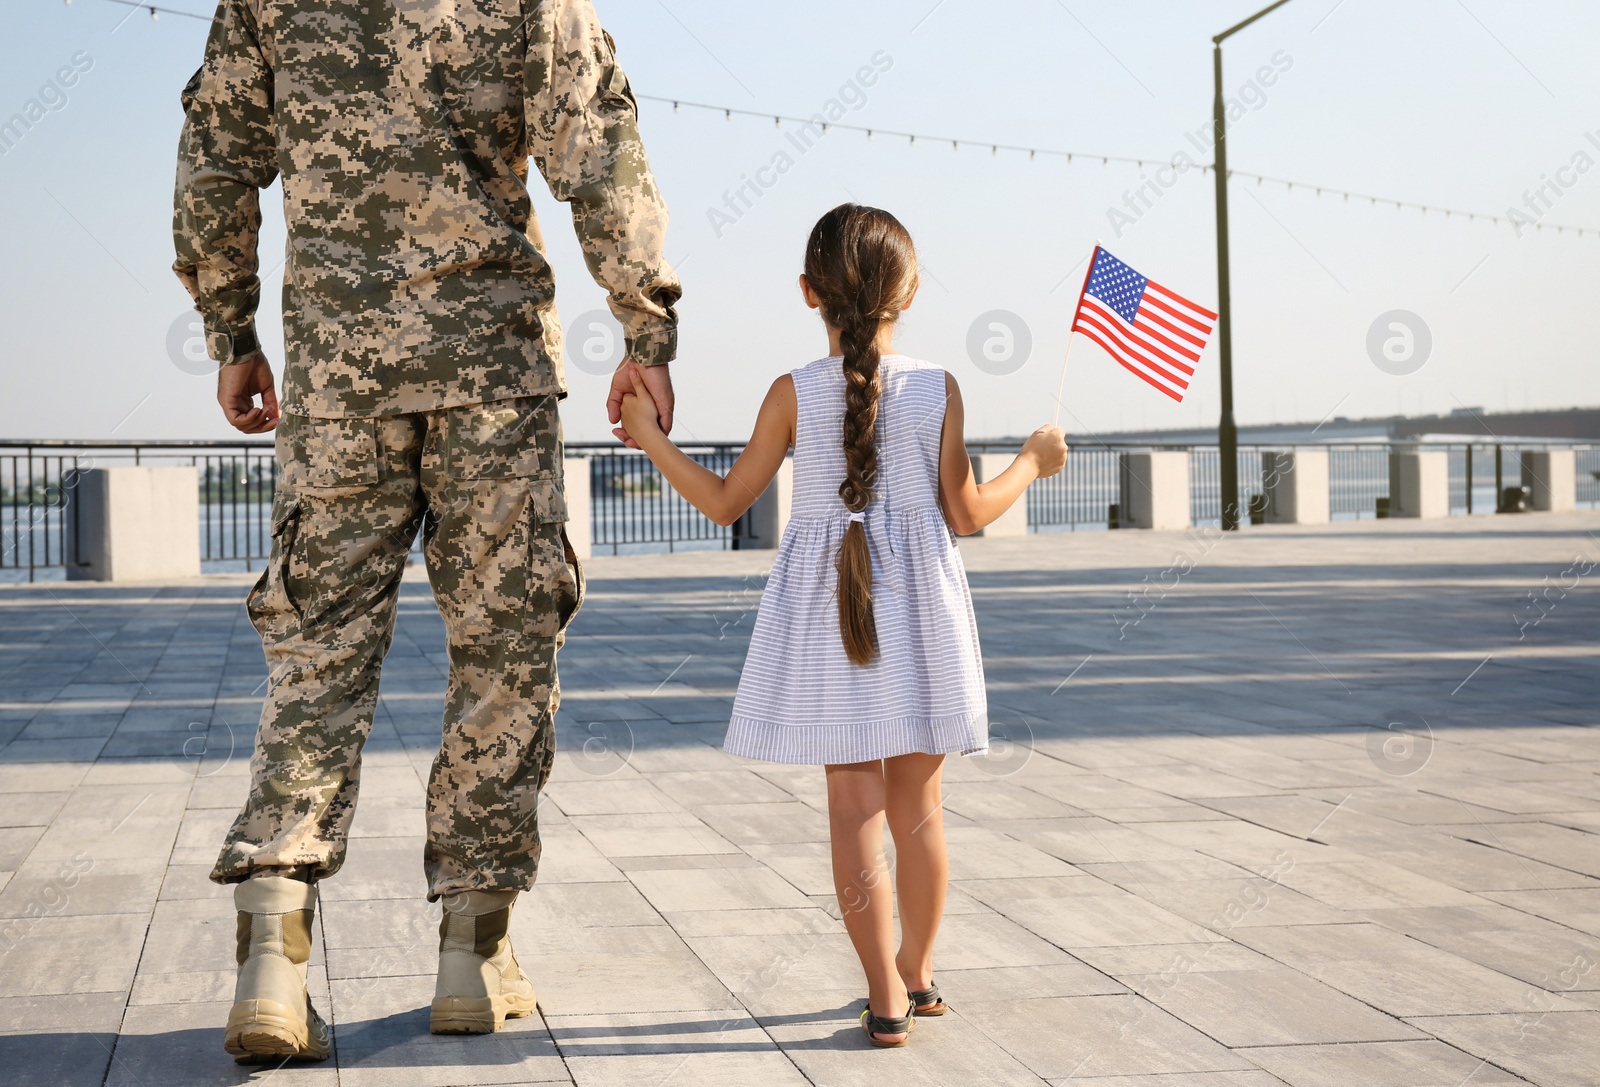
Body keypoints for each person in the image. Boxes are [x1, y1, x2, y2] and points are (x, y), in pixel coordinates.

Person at [171, 0, 680, 1060]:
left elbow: (216, 152)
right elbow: (597, 141)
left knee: (316, 654)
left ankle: (272, 950)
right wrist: (646, 323)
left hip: (336, 376)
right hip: (491, 369)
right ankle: (470, 950)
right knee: (504, 651)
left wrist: (230, 328)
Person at [618, 203, 1068, 1047]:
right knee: (920, 811)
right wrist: (1034, 463)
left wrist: (646, 437)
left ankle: (883, 995)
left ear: (806, 293)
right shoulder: (938, 389)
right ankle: (921, 972)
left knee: (852, 811)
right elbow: (966, 513)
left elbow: (724, 501)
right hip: (923, 616)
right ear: (911, 291)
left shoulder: (793, 393)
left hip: (834, 615)